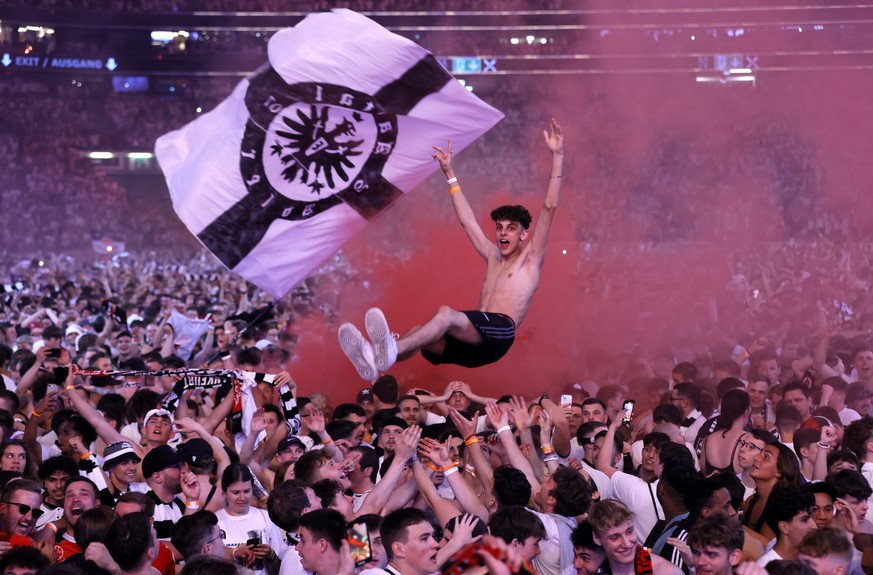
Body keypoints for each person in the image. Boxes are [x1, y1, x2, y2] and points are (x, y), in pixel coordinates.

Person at [338, 119, 564, 379]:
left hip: (500, 333)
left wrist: (557, 155)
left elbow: (549, 208)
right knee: (419, 332)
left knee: (445, 314)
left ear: (524, 234)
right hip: (477, 345)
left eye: (511, 228)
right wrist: (450, 174)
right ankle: (374, 361)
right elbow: (467, 222)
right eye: (500, 227)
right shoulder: (493, 256)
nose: (503, 232)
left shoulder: (530, 259)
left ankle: (389, 349)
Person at [587, 500, 682, 575]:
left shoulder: (665, 572)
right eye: (615, 537)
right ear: (597, 539)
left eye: (629, 532)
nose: (627, 544)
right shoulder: (593, 570)